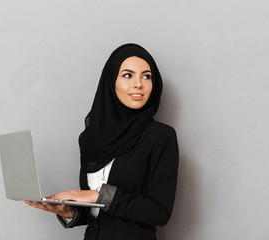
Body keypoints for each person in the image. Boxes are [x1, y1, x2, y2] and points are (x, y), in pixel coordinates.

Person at [26, 43, 179, 240]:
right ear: (111, 81)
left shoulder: (160, 136)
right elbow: (98, 214)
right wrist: (70, 213)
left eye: (146, 76)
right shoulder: (90, 138)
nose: (139, 84)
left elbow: (160, 211)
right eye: (127, 75)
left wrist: (101, 195)